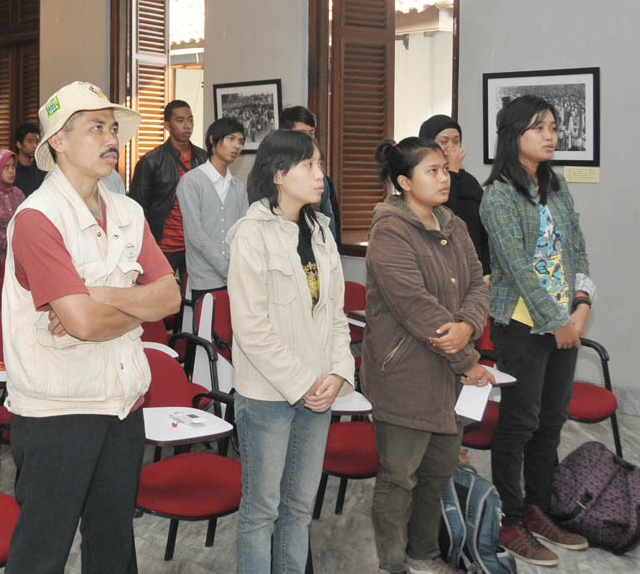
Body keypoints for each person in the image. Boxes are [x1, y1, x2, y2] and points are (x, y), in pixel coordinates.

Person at [1, 81, 180, 573]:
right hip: (59, 410)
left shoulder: (128, 211)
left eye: (113, 128)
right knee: (42, 552)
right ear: (58, 140)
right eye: (96, 127)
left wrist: (97, 294)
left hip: (122, 402)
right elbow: (81, 323)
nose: (112, 138)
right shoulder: (38, 217)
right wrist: (131, 308)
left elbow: (170, 297)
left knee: (113, 546)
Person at [227, 129, 354, 573]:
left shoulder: (320, 232)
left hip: (317, 392)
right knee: (261, 512)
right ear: (279, 174)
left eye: (319, 164)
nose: (321, 175)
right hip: (267, 395)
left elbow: (336, 314)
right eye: (309, 165)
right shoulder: (251, 234)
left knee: (299, 508)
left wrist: (338, 374)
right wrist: (304, 384)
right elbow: (251, 329)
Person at [365, 136, 492, 574]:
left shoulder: (453, 225)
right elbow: (416, 307)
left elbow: (478, 284)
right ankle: (392, 562)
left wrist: (468, 326)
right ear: (404, 182)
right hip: (405, 374)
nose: (444, 178)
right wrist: (466, 357)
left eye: (444, 169)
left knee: (437, 471)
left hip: (448, 376)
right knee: (399, 477)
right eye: (432, 171)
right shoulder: (389, 230)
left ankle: (424, 552)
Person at [480, 95, 596, 566]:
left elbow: (578, 250)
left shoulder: (557, 185)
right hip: (523, 326)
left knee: (550, 421)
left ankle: (538, 509)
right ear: (514, 136)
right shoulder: (498, 196)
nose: (551, 135)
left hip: (565, 323)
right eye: (539, 128)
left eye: (553, 127)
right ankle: (510, 521)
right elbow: (518, 270)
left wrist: (582, 305)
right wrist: (558, 323)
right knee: (519, 424)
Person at [127, 99, 208, 275]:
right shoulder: (151, 161)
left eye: (190, 120)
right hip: (163, 245)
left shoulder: (203, 158)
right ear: (167, 125)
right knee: (164, 290)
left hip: (195, 245)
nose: (187, 126)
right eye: (180, 120)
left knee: (197, 292)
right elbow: (137, 206)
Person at [176, 116, 247, 305]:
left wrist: (237, 269)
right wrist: (226, 269)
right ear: (212, 140)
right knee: (207, 323)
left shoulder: (238, 186)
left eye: (240, 141)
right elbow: (195, 234)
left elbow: (243, 231)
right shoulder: (191, 181)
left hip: (237, 278)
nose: (237, 146)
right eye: (230, 139)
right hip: (204, 279)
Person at [419, 114, 491, 278]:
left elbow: (484, 232)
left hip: (473, 270)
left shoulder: (469, 182)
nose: (450, 148)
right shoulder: (421, 183)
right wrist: (451, 172)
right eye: (443, 141)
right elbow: (442, 218)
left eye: (456, 141)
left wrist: (486, 272)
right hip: (440, 270)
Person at [279, 105, 340, 233]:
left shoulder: (320, 177)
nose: (308, 140)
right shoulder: (270, 173)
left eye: (311, 134)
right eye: (302, 134)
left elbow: (329, 223)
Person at [12, 121, 45, 196]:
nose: (35, 146)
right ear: (19, 144)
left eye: (37, 142)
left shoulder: (42, 167)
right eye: (30, 141)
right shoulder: (12, 169)